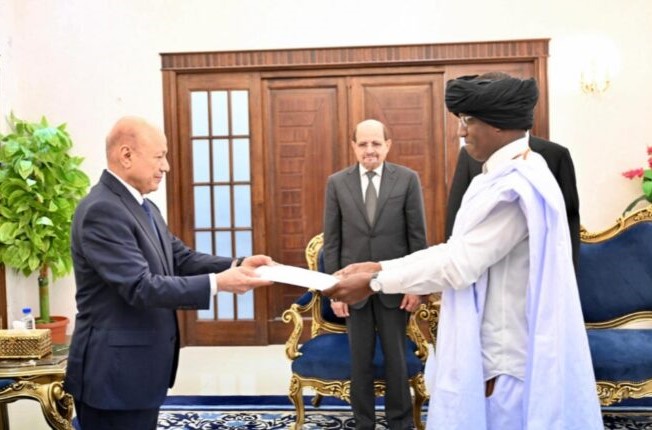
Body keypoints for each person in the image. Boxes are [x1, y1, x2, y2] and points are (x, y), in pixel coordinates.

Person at [323, 75, 603, 429]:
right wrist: (378, 266)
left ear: (498, 124)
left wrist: (375, 281)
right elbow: (455, 250)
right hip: (495, 346)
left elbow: (458, 264)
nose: (461, 131)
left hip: (504, 357)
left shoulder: (515, 187)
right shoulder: (501, 175)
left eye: (468, 120)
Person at [65, 116, 274, 430]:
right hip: (114, 375)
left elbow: (180, 258)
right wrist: (219, 283)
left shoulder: (144, 207)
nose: (167, 167)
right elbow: (140, 287)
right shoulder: (102, 210)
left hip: (138, 371)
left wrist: (238, 264)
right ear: (126, 155)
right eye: (159, 156)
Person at [322, 118, 427, 430]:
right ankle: (363, 422)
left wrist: (415, 285)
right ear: (354, 147)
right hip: (352, 289)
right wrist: (335, 291)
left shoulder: (407, 180)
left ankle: (400, 422)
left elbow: (417, 238)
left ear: (387, 145)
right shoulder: (337, 183)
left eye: (376, 143)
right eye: (363, 144)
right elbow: (332, 241)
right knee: (360, 360)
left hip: (395, 285)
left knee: (396, 358)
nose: (370, 150)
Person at [445, 73, 580, 269]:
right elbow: (457, 211)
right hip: (478, 265)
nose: (461, 132)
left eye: (469, 120)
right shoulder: (470, 156)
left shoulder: (550, 157)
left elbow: (569, 218)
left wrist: (568, 269)